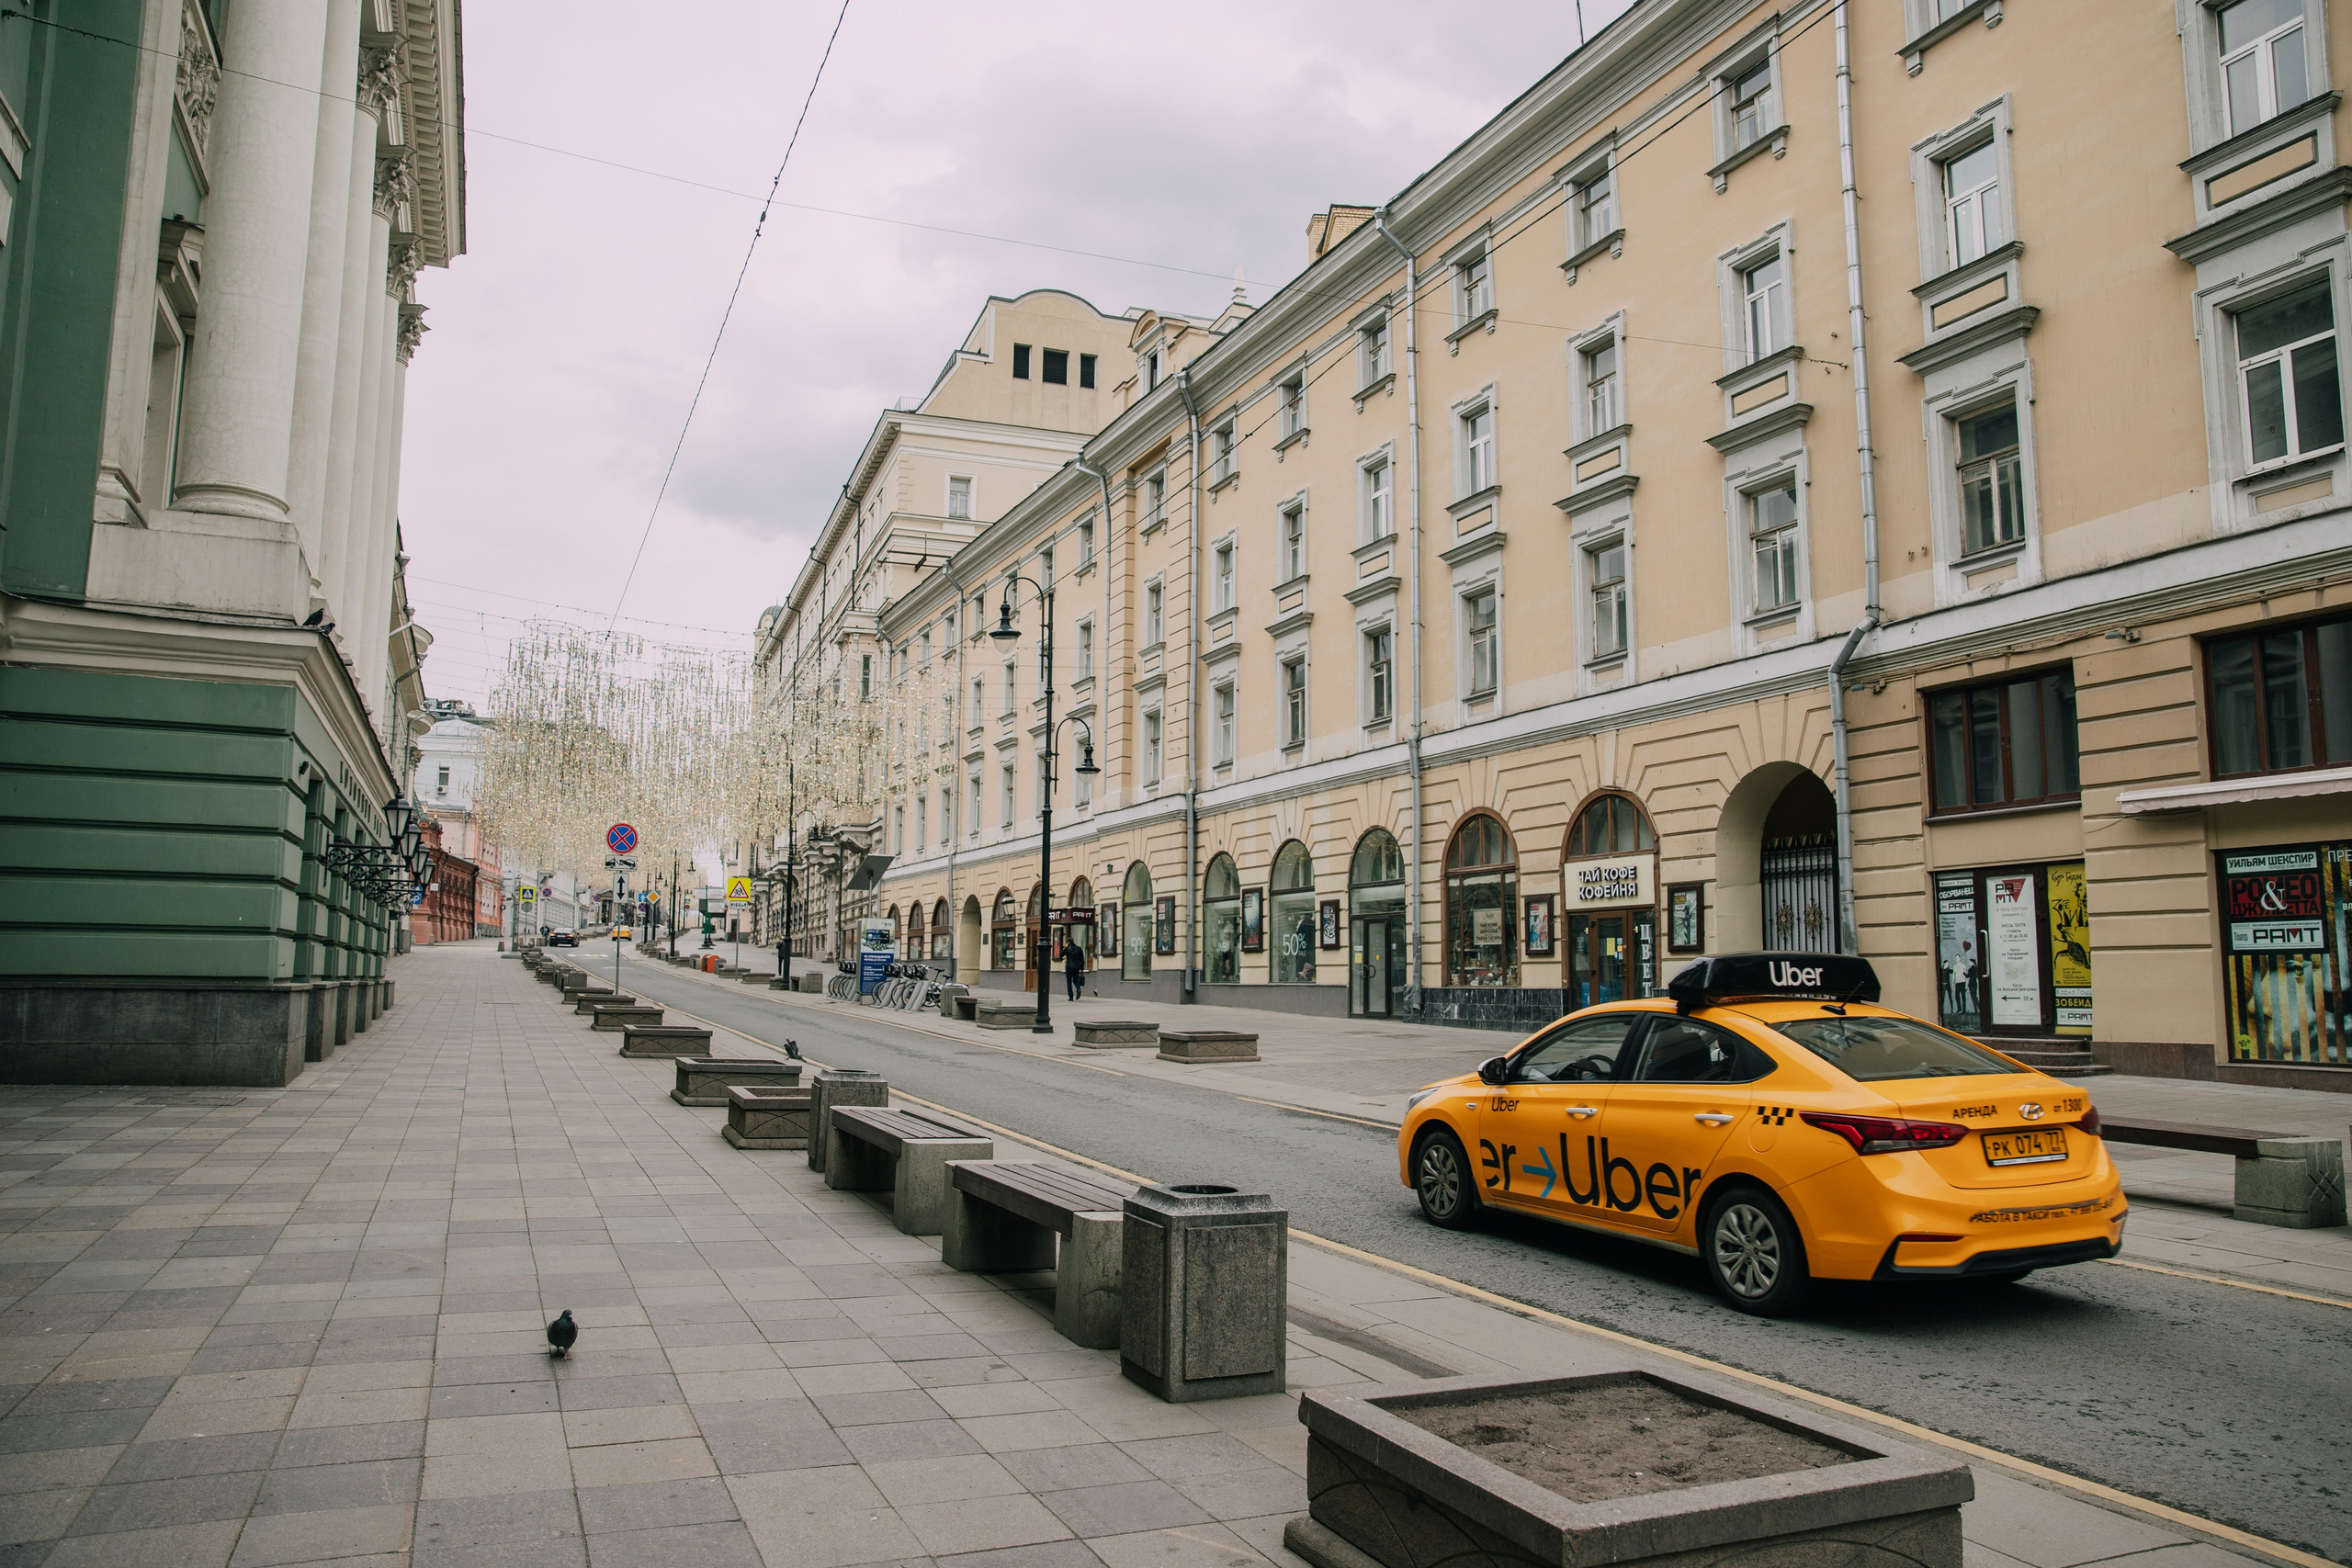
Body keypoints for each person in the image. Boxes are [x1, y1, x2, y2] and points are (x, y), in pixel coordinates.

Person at [1063, 937, 1087, 1002]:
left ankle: (1071, 997)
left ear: (1068, 942)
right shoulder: (1079, 949)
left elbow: (1060, 955)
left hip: (1069, 967)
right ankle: (1078, 988)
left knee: (1069, 981)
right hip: (1076, 967)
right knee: (1075, 980)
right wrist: (1082, 969)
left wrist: (1065, 947)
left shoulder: (1067, 949)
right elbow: (1082, 960)